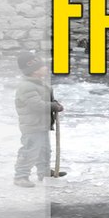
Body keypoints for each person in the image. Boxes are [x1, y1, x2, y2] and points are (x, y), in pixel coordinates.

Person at [13, 50, 67, 187]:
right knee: (30, 150)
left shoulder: (40, 84)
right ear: (34, 70)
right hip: (32, 126)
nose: (46, 68)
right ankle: (21, 176)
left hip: (41, 125)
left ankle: (43, 172)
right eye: (42, 66)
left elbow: (46, 99)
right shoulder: (26, 86)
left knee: (44, 150)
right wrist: (52, 106)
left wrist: (54, 103)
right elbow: (36, 105)